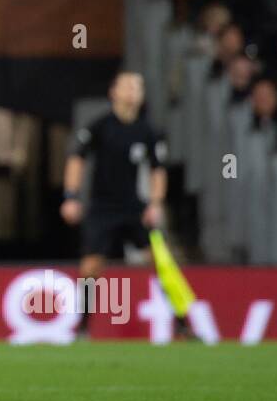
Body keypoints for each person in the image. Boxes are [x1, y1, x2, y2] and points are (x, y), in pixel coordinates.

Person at [60, 72, 190, 339]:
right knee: (91, 266)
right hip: (102, 208)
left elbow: (157, 171)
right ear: (113, 92)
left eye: (137, 87)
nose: (133, 91)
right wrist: (70, 196)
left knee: (162, 261)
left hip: (134, 207)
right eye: (127, 86)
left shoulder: (148, 131)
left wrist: (155, 203)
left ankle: (183, 322)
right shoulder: (99, 127)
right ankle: (83, 327)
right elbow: (76, 159)